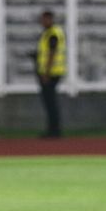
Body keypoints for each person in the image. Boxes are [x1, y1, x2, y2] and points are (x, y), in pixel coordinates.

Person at [35, 10, 66, 138]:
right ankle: (53, 129)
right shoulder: (50, 33)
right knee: (50, 103)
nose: (42, 22)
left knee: (50, 103)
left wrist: (46, 73)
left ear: (49, 19)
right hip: (51, 72)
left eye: (44, 19)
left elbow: (52, 54)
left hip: (51, 73)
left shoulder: (52, 34)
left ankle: (54, 130)